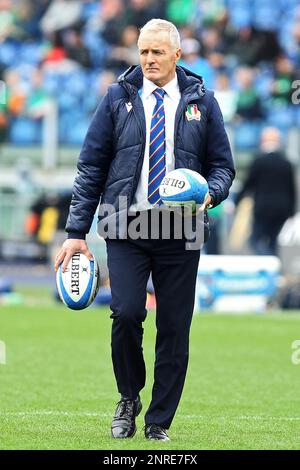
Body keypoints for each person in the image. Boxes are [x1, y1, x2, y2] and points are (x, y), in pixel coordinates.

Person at [54, 19, 235, 441]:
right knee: (127, 313)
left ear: (177, 54)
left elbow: (223, 167)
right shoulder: (118, 96)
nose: (149, 60)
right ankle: (128, 397)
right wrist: (76, 232)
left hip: (183, 227)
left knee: (174, 326)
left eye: (157, 52)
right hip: (126, 222)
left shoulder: (202, 101)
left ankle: (158, 422)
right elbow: (91, 166)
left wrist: (210, 194)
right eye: (143, 52)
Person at [236, 127, 296, 256]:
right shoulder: (287, 163)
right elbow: (292, 189)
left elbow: (248, 185)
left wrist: (237, 201)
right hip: (282, 209)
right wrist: (292, 212)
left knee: (255, 240)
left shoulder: (259, 161)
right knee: (273, 241)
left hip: (262, 208)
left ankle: (269, 261)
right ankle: (273, 265)